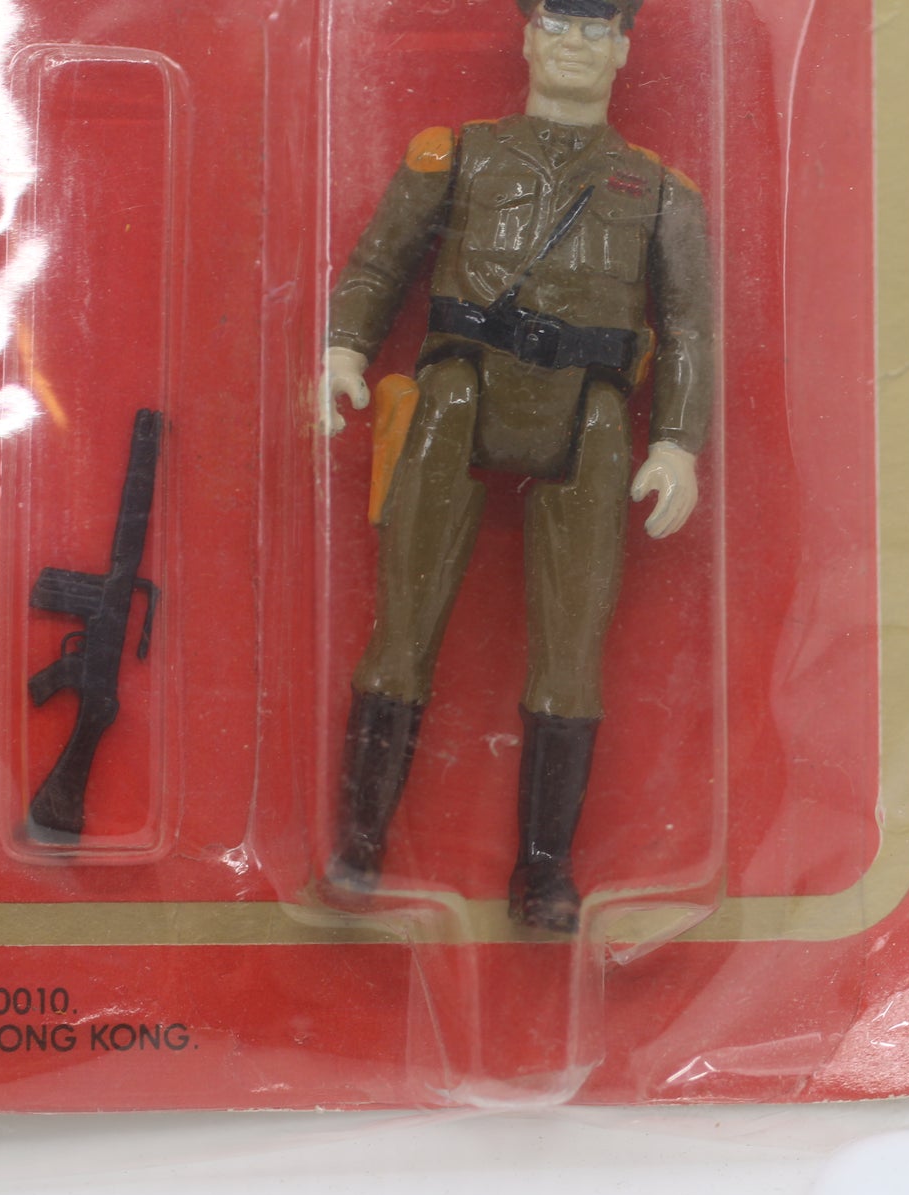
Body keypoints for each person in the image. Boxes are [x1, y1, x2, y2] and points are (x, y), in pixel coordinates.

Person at [318, 0, 714, 932]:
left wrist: (677, 442)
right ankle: (359, 844)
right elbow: (380, 262)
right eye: (559, 24)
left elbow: (690, 328)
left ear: (622, 50)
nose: (575, 44)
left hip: (590, 409)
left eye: (596, 30)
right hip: (461, 387)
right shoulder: (459, 155)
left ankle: (544, 871)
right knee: (403, 625)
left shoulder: (661, 192)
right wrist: (344, 347)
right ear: (529, 37)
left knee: (573, 650)